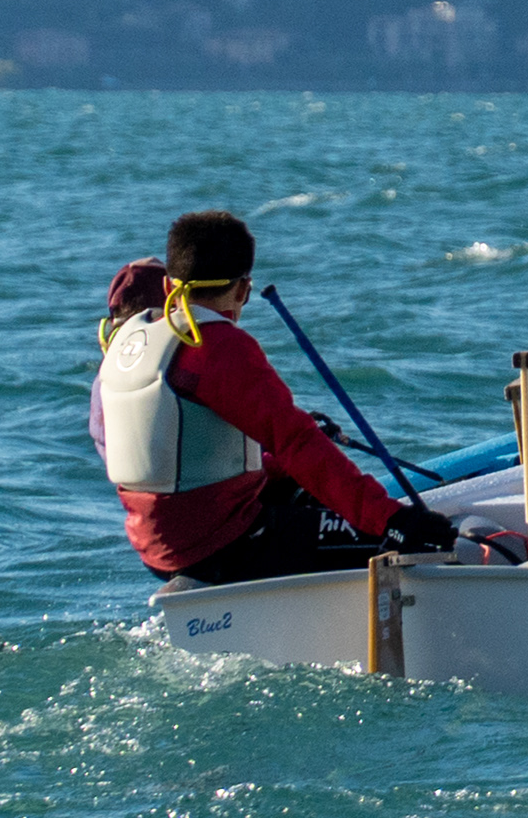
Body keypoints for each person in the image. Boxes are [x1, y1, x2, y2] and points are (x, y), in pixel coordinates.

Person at [99, 209, 457, 585]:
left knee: (300, 490)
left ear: (168, 286)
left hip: (156, 545)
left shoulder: (130, 342)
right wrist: (392, 520)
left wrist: (276, 468)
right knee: (409, 543)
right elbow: (297, 443)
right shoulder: (219, 346)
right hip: (223, 543)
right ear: (243, 290)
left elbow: (183, 461)